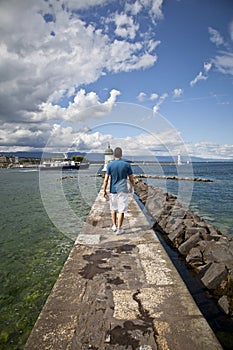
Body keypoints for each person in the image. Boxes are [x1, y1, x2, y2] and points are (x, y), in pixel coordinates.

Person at [103, 147, 134, 235]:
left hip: (113, 190)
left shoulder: (109, 165)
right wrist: (131, 187)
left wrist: (104, 190)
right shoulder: (127, 165)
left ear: (114, 155)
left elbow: (106, 179)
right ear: (121, 154)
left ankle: (114, 225)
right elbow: (131, 178)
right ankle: (119, 229)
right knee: (121, 210)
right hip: (123, 190)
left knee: (113, 208)